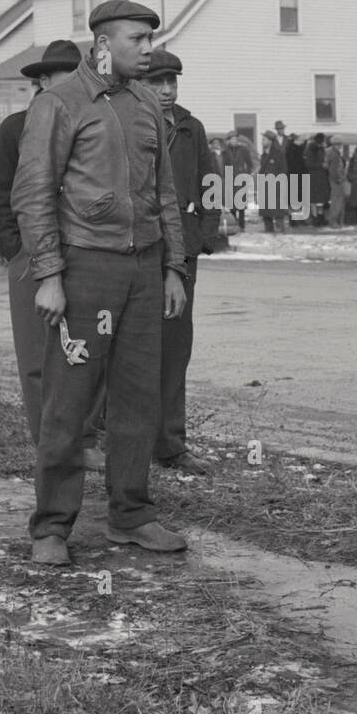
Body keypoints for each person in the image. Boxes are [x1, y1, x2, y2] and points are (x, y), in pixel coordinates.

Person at [12, 0, 189, 566]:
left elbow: (164, 195)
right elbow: (33, 193)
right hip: (85, 268)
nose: (148, 49)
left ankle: (130, 515)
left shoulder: (144, 105)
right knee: (69, 402)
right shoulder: (60, 105)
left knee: (139, 398)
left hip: (144, 268)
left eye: (150, 39)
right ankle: (52, 526)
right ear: (103, 45)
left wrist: (173, 268)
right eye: (137, 40)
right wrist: (49, 275)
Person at [0, 38, 85, 450]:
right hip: (30, 254)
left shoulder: (90, 123)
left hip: (82, 249)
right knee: (36, 353)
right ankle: (47, 441)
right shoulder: (16, 127)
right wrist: (17, 251)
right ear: (43, 82)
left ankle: (84, 437)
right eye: (66, 80)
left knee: (83, 349)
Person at [143, 48, 221, 476]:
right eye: (158, 81)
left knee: (175, 348)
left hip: (183, 251)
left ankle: (170, 444)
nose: (167, 90)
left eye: (173, 81)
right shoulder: (129, 123)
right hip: (139, 249)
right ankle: (123, 439)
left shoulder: (191, 128)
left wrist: (206, 234)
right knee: (131, 347)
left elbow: (210, 181)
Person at [222, 131, 254, 231]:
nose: (234, 141)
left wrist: (246, 173)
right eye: (232, 139)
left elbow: (250, 164)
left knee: (241, 204)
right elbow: (223, 165)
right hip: (230, 180)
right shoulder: (225, 151)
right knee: (231, 204)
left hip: (241, 180)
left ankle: (242, 225)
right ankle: (233, 225)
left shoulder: (244, 150)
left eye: (235, 139)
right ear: (229, 141)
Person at [258, 129, 288, 232]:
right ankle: (268, 234)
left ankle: (281, 234)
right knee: (266, 215)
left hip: (275, 187)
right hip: (264, 188)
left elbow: (283, 170)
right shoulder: (263, 155)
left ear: (270, 141)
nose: (262, 142)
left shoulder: (278, 154)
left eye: (264, 139)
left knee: (278, 213)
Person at [305, 132, 329, 226]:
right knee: (315, 199)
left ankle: (320, 216)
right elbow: (309, 164)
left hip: (321, 176)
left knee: (320, 200)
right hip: (314, 176)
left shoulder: (321, 149)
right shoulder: (311, 149)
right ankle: (315, 218)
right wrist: (321, 165)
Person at [325, 135, 347, 226]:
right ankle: (334, 220)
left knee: (337, 200)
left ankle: (337, 220)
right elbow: (334, 169)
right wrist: (338, 179)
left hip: (334, 179)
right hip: (336, 180)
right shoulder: (334, 154)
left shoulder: (329, 152)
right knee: (337, 201)